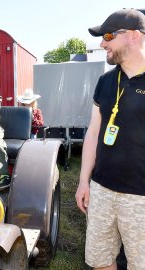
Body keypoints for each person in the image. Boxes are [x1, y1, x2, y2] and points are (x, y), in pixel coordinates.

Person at [75, 9, 145, 270]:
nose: (102, 43)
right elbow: (93, 133)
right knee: (100, 261)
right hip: (102, 191)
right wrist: (84, 182)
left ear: (133, 37)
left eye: (108, 36)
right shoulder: (105, 81)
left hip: (140, 198)